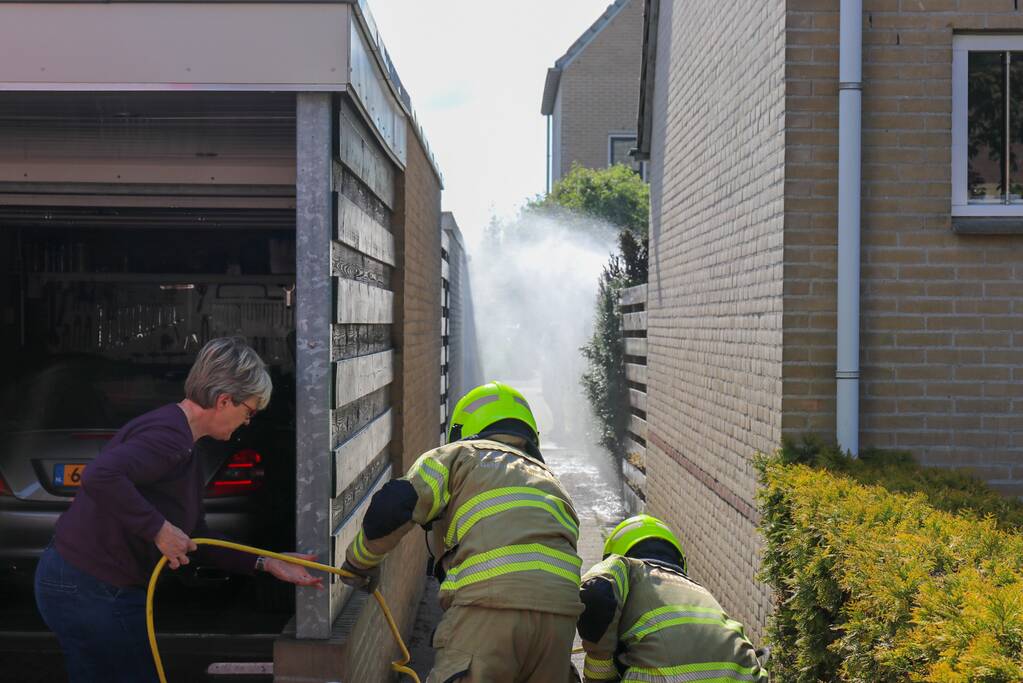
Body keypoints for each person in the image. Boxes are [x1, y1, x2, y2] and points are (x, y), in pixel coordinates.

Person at [34, 337, 324, 683]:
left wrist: (265, 561)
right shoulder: (169, 437)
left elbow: (196, 535)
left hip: (84, 584)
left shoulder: (182, 441)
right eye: (249, 411)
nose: (248, 422)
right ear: (224, 400)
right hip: (91, 588)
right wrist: (158, 529)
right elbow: (100, 475)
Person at [341, 381, 583, 683]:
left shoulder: (459, 455)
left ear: (462, 428)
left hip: (489, 607)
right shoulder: (554, 484)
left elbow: (392, 507)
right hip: (560, 620)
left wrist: (359, 564)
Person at [576, 514, 768, 683]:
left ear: (614, 554)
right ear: (680, 560)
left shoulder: (625, 568)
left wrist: (600, 673)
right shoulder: (699, 592)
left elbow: (595, 592)